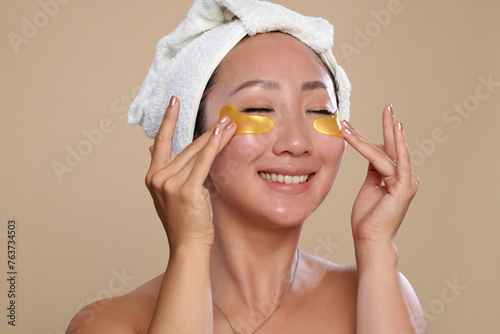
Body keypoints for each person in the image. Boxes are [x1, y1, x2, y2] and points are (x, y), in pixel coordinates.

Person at [68, 1, 427, 333]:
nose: (297, 143)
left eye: (319, 110)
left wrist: (376, 243)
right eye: (258, 109)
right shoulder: (113, 322)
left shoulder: (382, 291)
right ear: (192, 143)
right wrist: (189, 246)